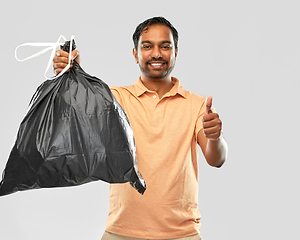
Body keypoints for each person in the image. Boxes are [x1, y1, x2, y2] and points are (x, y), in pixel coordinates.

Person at [53, 17, 228, 240]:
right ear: (135, 54)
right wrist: (70, 75)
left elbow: (216, 159)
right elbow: (77, 112)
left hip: (181, 234)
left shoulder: (197, 105)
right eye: (147, 46)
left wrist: (215, 137)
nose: (157, 53)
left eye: (165, 46)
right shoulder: (115, 98)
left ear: (176, 52)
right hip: (121, 232)